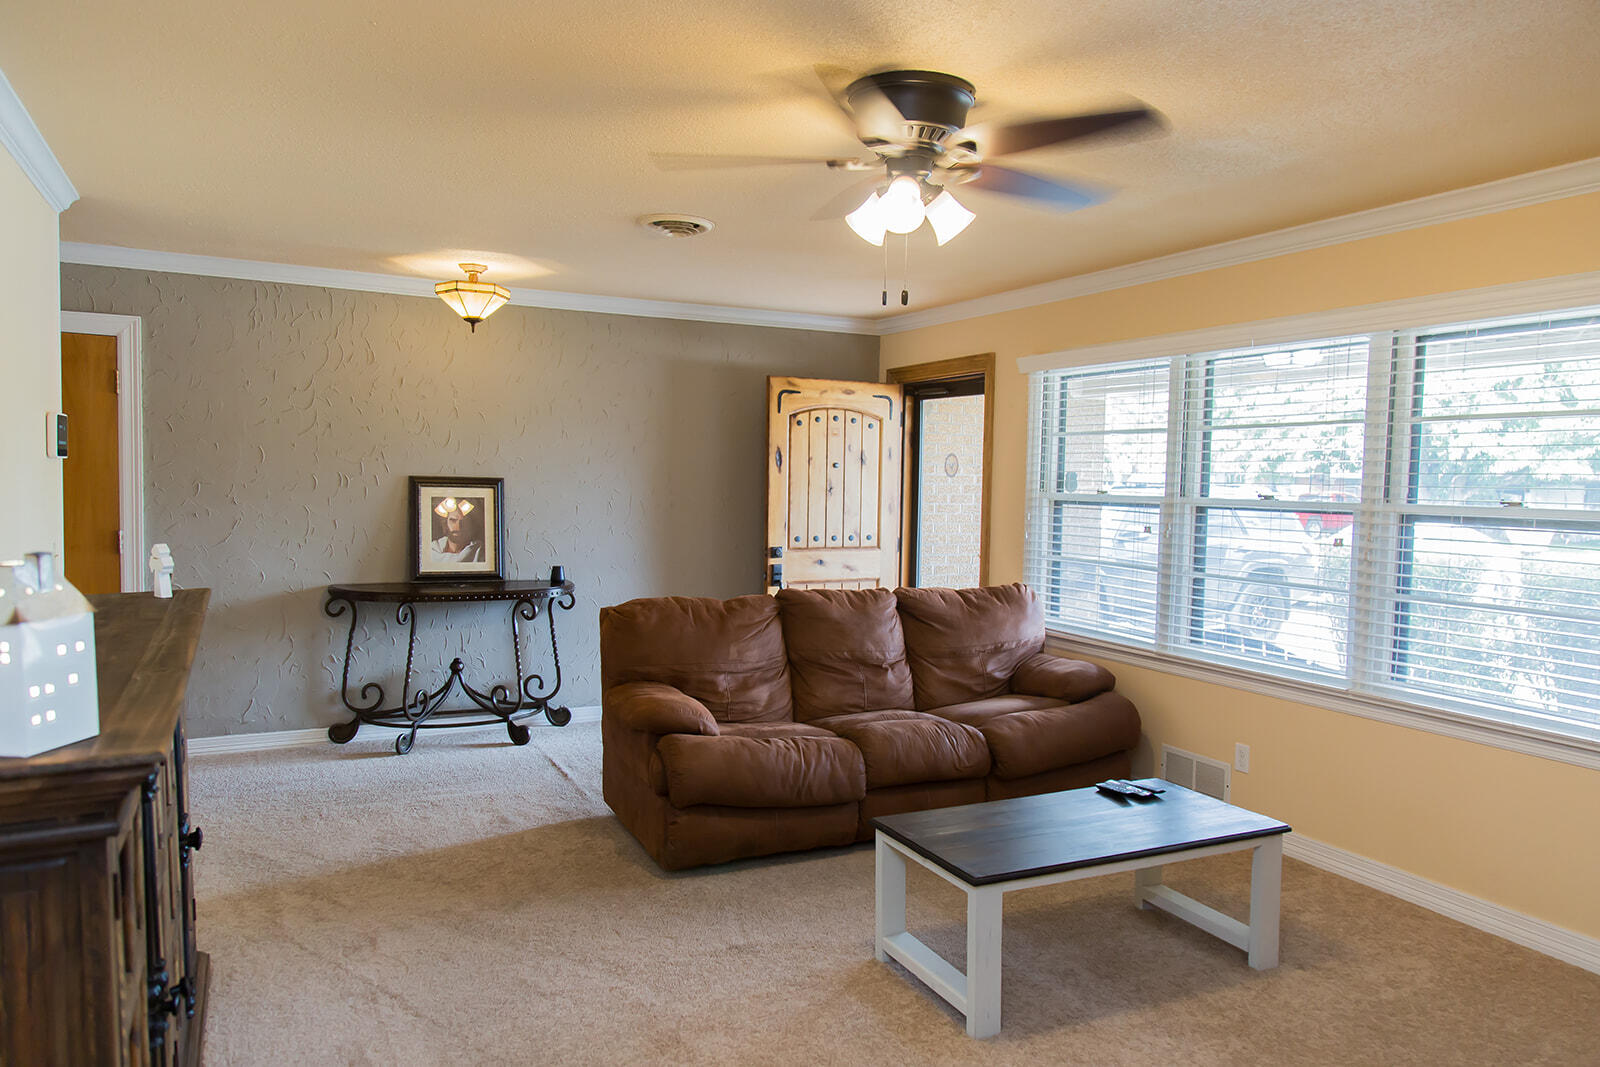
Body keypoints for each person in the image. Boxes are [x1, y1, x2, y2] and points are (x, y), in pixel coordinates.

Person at [430, 497, 485, 562]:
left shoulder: (479, 552)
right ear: (445, 524)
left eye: (463, 521)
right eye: (453, 520)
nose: (458, 526)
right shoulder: (432, 550)